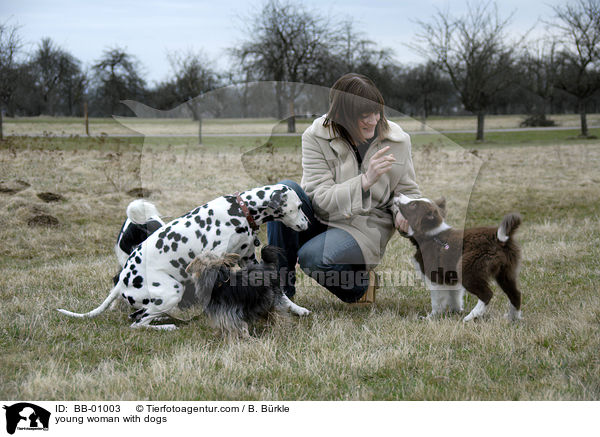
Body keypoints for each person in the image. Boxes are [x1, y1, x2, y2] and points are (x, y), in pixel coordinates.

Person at [267, 73, 420, 304]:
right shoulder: (315, 136)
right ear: (342, 114)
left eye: (377, 112)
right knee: (281, 194)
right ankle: (279, 295)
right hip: (321, 215)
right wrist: (364, 181)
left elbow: (407, 190)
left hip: (364, 226)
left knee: (313, 257)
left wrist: (404, 210)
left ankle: (361, 286)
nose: (373, 120)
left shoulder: (398, 140)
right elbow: (318, 199)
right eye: (364, 115)